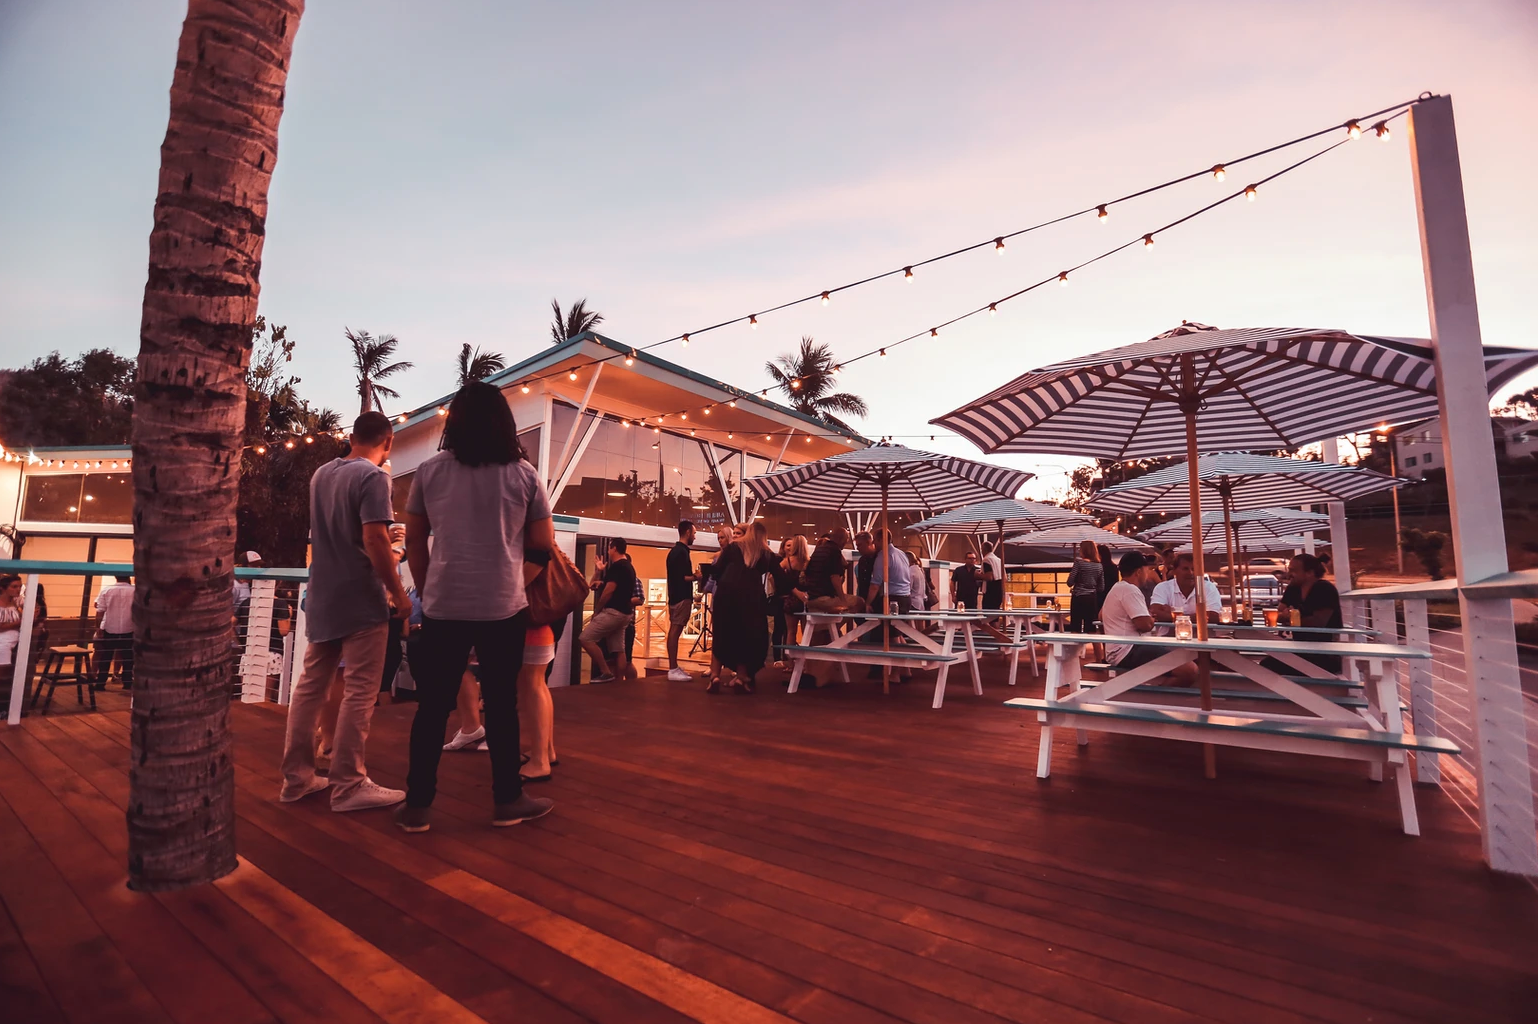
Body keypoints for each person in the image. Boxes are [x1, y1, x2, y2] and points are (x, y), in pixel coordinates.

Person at [398, 382, 554, 833]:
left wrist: (428, 591)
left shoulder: (429, 472)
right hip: (503, 607)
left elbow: (413, 541)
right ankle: (507, 800)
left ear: (455, 423)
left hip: (445, 605)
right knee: (502, 705)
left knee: (432, 708)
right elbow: (541, 548)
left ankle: (417, 807)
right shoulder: (524, 475)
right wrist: (513, 586)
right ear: (504, 422)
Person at [279, 411, 411, 812]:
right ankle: (349, 784)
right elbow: (372, 540)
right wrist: (397, 591)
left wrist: (385, 542)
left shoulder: (322, 475)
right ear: (387, 442)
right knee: (360, 690)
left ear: (352, 437)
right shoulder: (375, 478)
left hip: (323, 594)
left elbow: (346, 533)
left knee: (310, 688)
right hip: (360, 598)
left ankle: (297, 779)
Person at [710, 521, 798, 694]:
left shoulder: (733, 547)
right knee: (749, 636)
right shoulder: (765, 552)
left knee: (722, 632)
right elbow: (781, 578)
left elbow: (717, 570)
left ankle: (715, 676)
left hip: (725, 594)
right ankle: (742, 677)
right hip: (750, 597)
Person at [1100, 552, 1196, 682]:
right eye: (1147, 569)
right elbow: (1145, 625)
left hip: (1118, 650)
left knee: (1180, 659)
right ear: (1139, 571)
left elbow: (1100, 615)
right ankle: (1161, 699)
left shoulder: (1117, 588)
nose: (1148, 573)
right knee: (1190, 670)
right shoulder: (1130, 590)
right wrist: (1151, 619)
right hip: (1128, 650)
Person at [1273, 553, 1343, 673]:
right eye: (1289, 570)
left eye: (1293, 571)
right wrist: (1288, 617)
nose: (1289, 574)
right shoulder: (1293, 588)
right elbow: (1278, 614)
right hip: (1299, 648)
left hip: (1324, 653)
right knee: (1267, 665)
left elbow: (1318, 623)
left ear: (1310, 572)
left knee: (1270, 668)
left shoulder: (1325, 589)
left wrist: (1288, 617)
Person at [579, 538, 637, 683]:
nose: (608, 551)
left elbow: (608, 591)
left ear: (614, 548)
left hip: (613, 612)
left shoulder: (618, 567)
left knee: (585, 638)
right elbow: (598, 585)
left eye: (610, 548)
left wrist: (597, 611)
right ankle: (618, 681)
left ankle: (606, 672)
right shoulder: (629, 568)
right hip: (625, 614)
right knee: (619, 648)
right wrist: (599, 573)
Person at [1149, 552, 1224, 631]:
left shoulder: (1208, 587)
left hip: (1203, 638)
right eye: (1185, 569)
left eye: (1194, 569)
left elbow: (1213, 617)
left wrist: (1174, 614)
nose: (1190, 573)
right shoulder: (1163, 587)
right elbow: (1155, 613)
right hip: (1168, 639)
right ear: (1174, 571)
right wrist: (1197, 617)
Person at [665, 521, 699, 681]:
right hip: (681, 597)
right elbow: (681, 577)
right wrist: (696, 577)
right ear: (687, 532)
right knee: (675, 630)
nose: (695, 536)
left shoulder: (676, 551)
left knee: (675, 630)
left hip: (675, 596)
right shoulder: (681, 552)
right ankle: (672, 668)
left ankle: (674, 666)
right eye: (694, 533)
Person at [803, 526, 863, 614]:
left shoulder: (819, 549)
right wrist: (843, 600)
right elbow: (835, 578)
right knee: (859, 602)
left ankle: (831, 627)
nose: (846, 543)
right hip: (825, 598)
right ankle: (837, 625)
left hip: (811, 597)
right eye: (846, 540)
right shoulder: (834, 551)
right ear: (841, 539)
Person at [772, 535, 810, 665]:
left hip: (790, 599)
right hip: (806, 599)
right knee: (806, 633)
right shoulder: (808, 562)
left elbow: (773, 576)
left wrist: (779, 588)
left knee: (790, 632)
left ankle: (790, 663)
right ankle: (805, 664)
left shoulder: (787, 561)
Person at [93, 574, 135, 690]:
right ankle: (127, 683)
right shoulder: (135, 591)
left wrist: (98, 628)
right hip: (129, 629)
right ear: (129, 578)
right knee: (128, 658)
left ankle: (100, 683)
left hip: (110, 629)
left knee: (106, 657)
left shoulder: (107, 590)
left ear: (116, 577)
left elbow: (100, 611)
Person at [1065, 541, 1104, 634]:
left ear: (1084, 550)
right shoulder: (1099, 566)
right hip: (1091, 598)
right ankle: (1095, 648)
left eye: (1080, 548)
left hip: (1078, 597)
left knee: (1075, 626)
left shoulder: (1079, 563)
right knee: (1091, 627)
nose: (1079, 550)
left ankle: (1076, 649)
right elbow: (1101, 587)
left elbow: (1069, 582)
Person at [0, 575, 24, 675]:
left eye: (20, 586)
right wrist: (19, 623)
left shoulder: (18, 601)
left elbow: (35, 612)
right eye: (14, 587)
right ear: (3, 588)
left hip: (12, 639)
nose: (18, 589)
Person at [980, 541, 1005, 611]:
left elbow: (989, 577)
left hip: (990, 591)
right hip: (999, 590)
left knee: (987, 615)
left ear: (984, 549)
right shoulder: (999, 560)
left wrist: (977, 575)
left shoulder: (986, 560)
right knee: (995, 616)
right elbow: (1005, 577)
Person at [853, 531, 876, 601]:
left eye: (860, 545)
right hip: (864, 599)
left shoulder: (879, 559)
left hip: (877, 600)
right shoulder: (862, 560)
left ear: (869, 542)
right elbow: (861, 584)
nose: (857, 548)